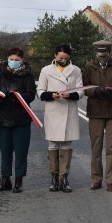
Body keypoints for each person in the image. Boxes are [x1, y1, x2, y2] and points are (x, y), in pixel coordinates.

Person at [0, 47, 36, 193]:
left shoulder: (27, 77)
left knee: (21, 150)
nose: (13, 62)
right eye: (11, 59)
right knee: (5, 150)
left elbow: (31, 95)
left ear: (22, 60)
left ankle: (19, 179)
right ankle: (5, 179)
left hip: (21, 118)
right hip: (3, 118)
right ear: (7, 59)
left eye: (17, 60)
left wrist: (17, 96)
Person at [37, 44, 83, 193]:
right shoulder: (46, 70)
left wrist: (72, 95)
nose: (62, 60)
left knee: (66, 146)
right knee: (53, 145)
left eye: (65, 58)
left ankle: (64, 177)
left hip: (69, 109)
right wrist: (51, 95)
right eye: (60, 57)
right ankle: (54, 178)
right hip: (53, 110)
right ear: (55, 55)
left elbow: (80, 90)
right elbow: (40, 90)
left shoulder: (76, 70)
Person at [83, 40, 112, 191]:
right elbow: (84, 87)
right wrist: (96, 91)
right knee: (96, 147)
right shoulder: (89, 66)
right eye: (100, 54)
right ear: (96, 53)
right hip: (95, 111)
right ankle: (96, 178)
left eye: (105, 54)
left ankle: (110, 180)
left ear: (109, 52)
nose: (102, 56)